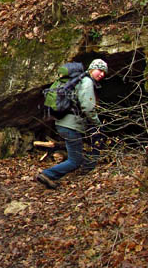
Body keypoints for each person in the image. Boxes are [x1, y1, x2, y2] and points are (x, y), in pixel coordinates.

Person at [36, 59, 108, 189]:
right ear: (92, 69)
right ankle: (48, 174)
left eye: (104, 72)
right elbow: (88, 107)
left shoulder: (78, 80)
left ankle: (80, 170)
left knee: (76, 155)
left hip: (64, 124)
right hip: (71, 125)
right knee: (75, 160)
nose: (102, 74)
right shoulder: (86, 82)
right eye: (100, 70)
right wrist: (97, 123)